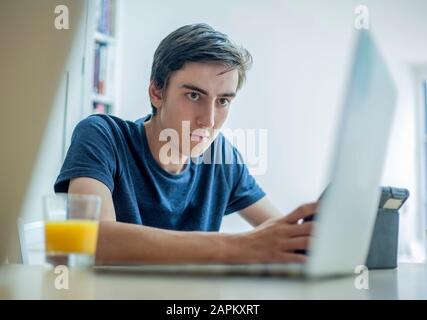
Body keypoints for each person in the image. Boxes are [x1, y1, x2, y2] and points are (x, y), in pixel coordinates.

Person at [54, 23, 317, 264]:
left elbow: (284, 236)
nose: (209, 120)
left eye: (223, 101)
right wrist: (239, 246)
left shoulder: (221, 156)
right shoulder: (103, 136)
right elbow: (90, 239)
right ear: (157, 92)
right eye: (194, 95)